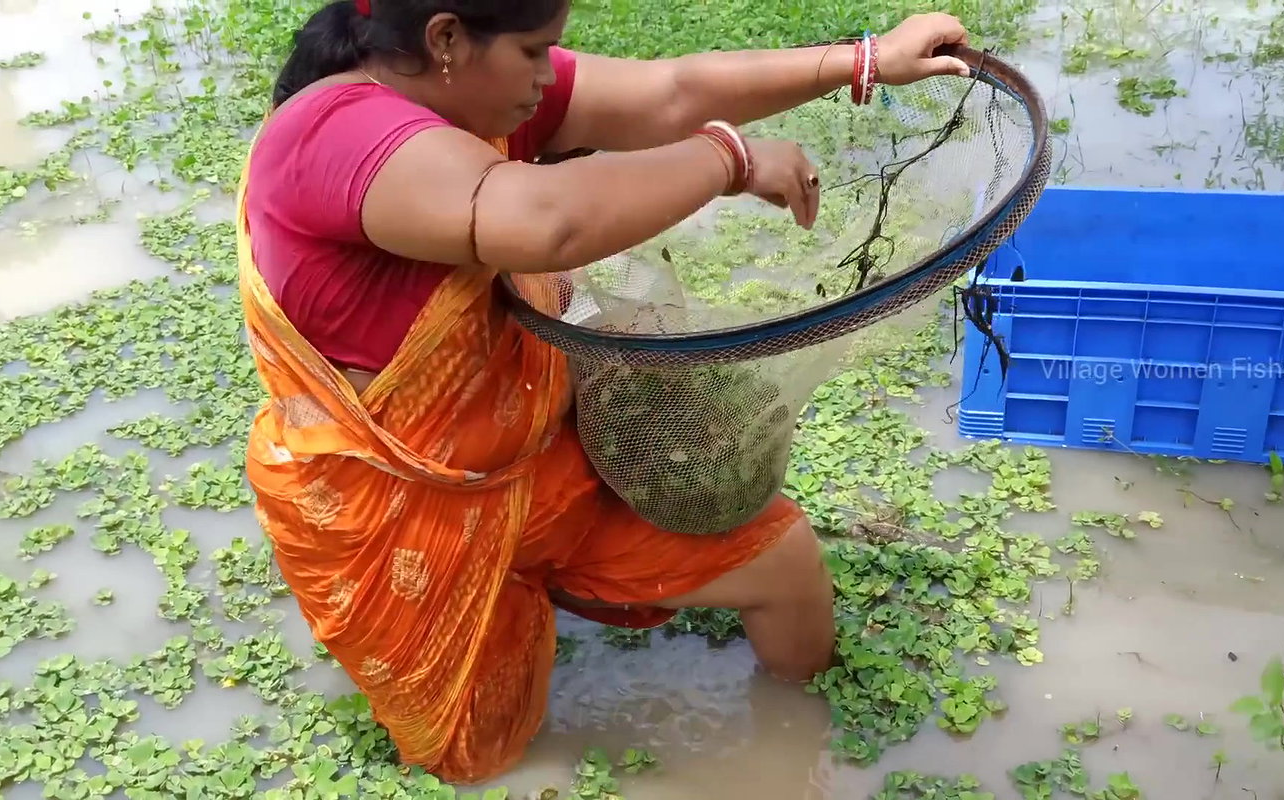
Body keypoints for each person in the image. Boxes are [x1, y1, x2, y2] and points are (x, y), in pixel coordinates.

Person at [234, 0, 972, 784]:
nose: (549, 75)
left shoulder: (479, 98)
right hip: (408, 516)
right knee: (482, 759)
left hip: (541, 468)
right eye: (532, 51)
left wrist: (867, 60)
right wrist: (729, 159)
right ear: (446, 38)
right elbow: (539, 221)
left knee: (784, 566)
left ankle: (806, 749)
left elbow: (673, 92)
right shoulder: (331, 133)